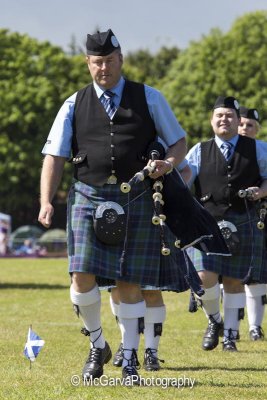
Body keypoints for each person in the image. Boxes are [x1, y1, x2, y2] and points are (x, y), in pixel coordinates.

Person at [38, 28, 197, 383]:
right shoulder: (73, 103)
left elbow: (178, 141)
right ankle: (98, 343)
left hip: (136, 194)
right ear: (88, 63)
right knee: (81, 276)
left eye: (109, 61)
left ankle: (129, 357)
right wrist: (46, 200)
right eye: (97, 63)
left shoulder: (149, 98)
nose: (104, 68)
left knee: (129, 280)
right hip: (87, 195)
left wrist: (168, 164)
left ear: (121, 59)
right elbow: (54, 155)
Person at [185, 96, 267, 352]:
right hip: (207, 222)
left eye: (230, 116)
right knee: (204, 277)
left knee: (234, 280)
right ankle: (214, 320)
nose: (225, 120)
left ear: (237, 120)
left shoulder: (258, 148)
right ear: (212, 121)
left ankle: (230, 336)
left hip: (244, 220)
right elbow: (184, 181)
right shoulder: (199, 150)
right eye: (219, 116)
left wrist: (261, 192)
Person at [109, 161, 193, 372]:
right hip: (115, 213)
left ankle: (151, 352)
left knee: (151, 289)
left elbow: (185, 168)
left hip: (151, 216)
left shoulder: (156, 139)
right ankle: (126, 344)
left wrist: (171, 189)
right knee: (116, 288)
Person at [238, 106, 267, 341]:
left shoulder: (262, 149)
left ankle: (255, 326)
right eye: (242, 124)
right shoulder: (217, 149)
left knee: (255, 275)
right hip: (222, 217)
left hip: (258, 217)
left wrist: (260, 193)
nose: (244, 129)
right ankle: (225, 326)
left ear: (257, 129)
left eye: (250, 125)